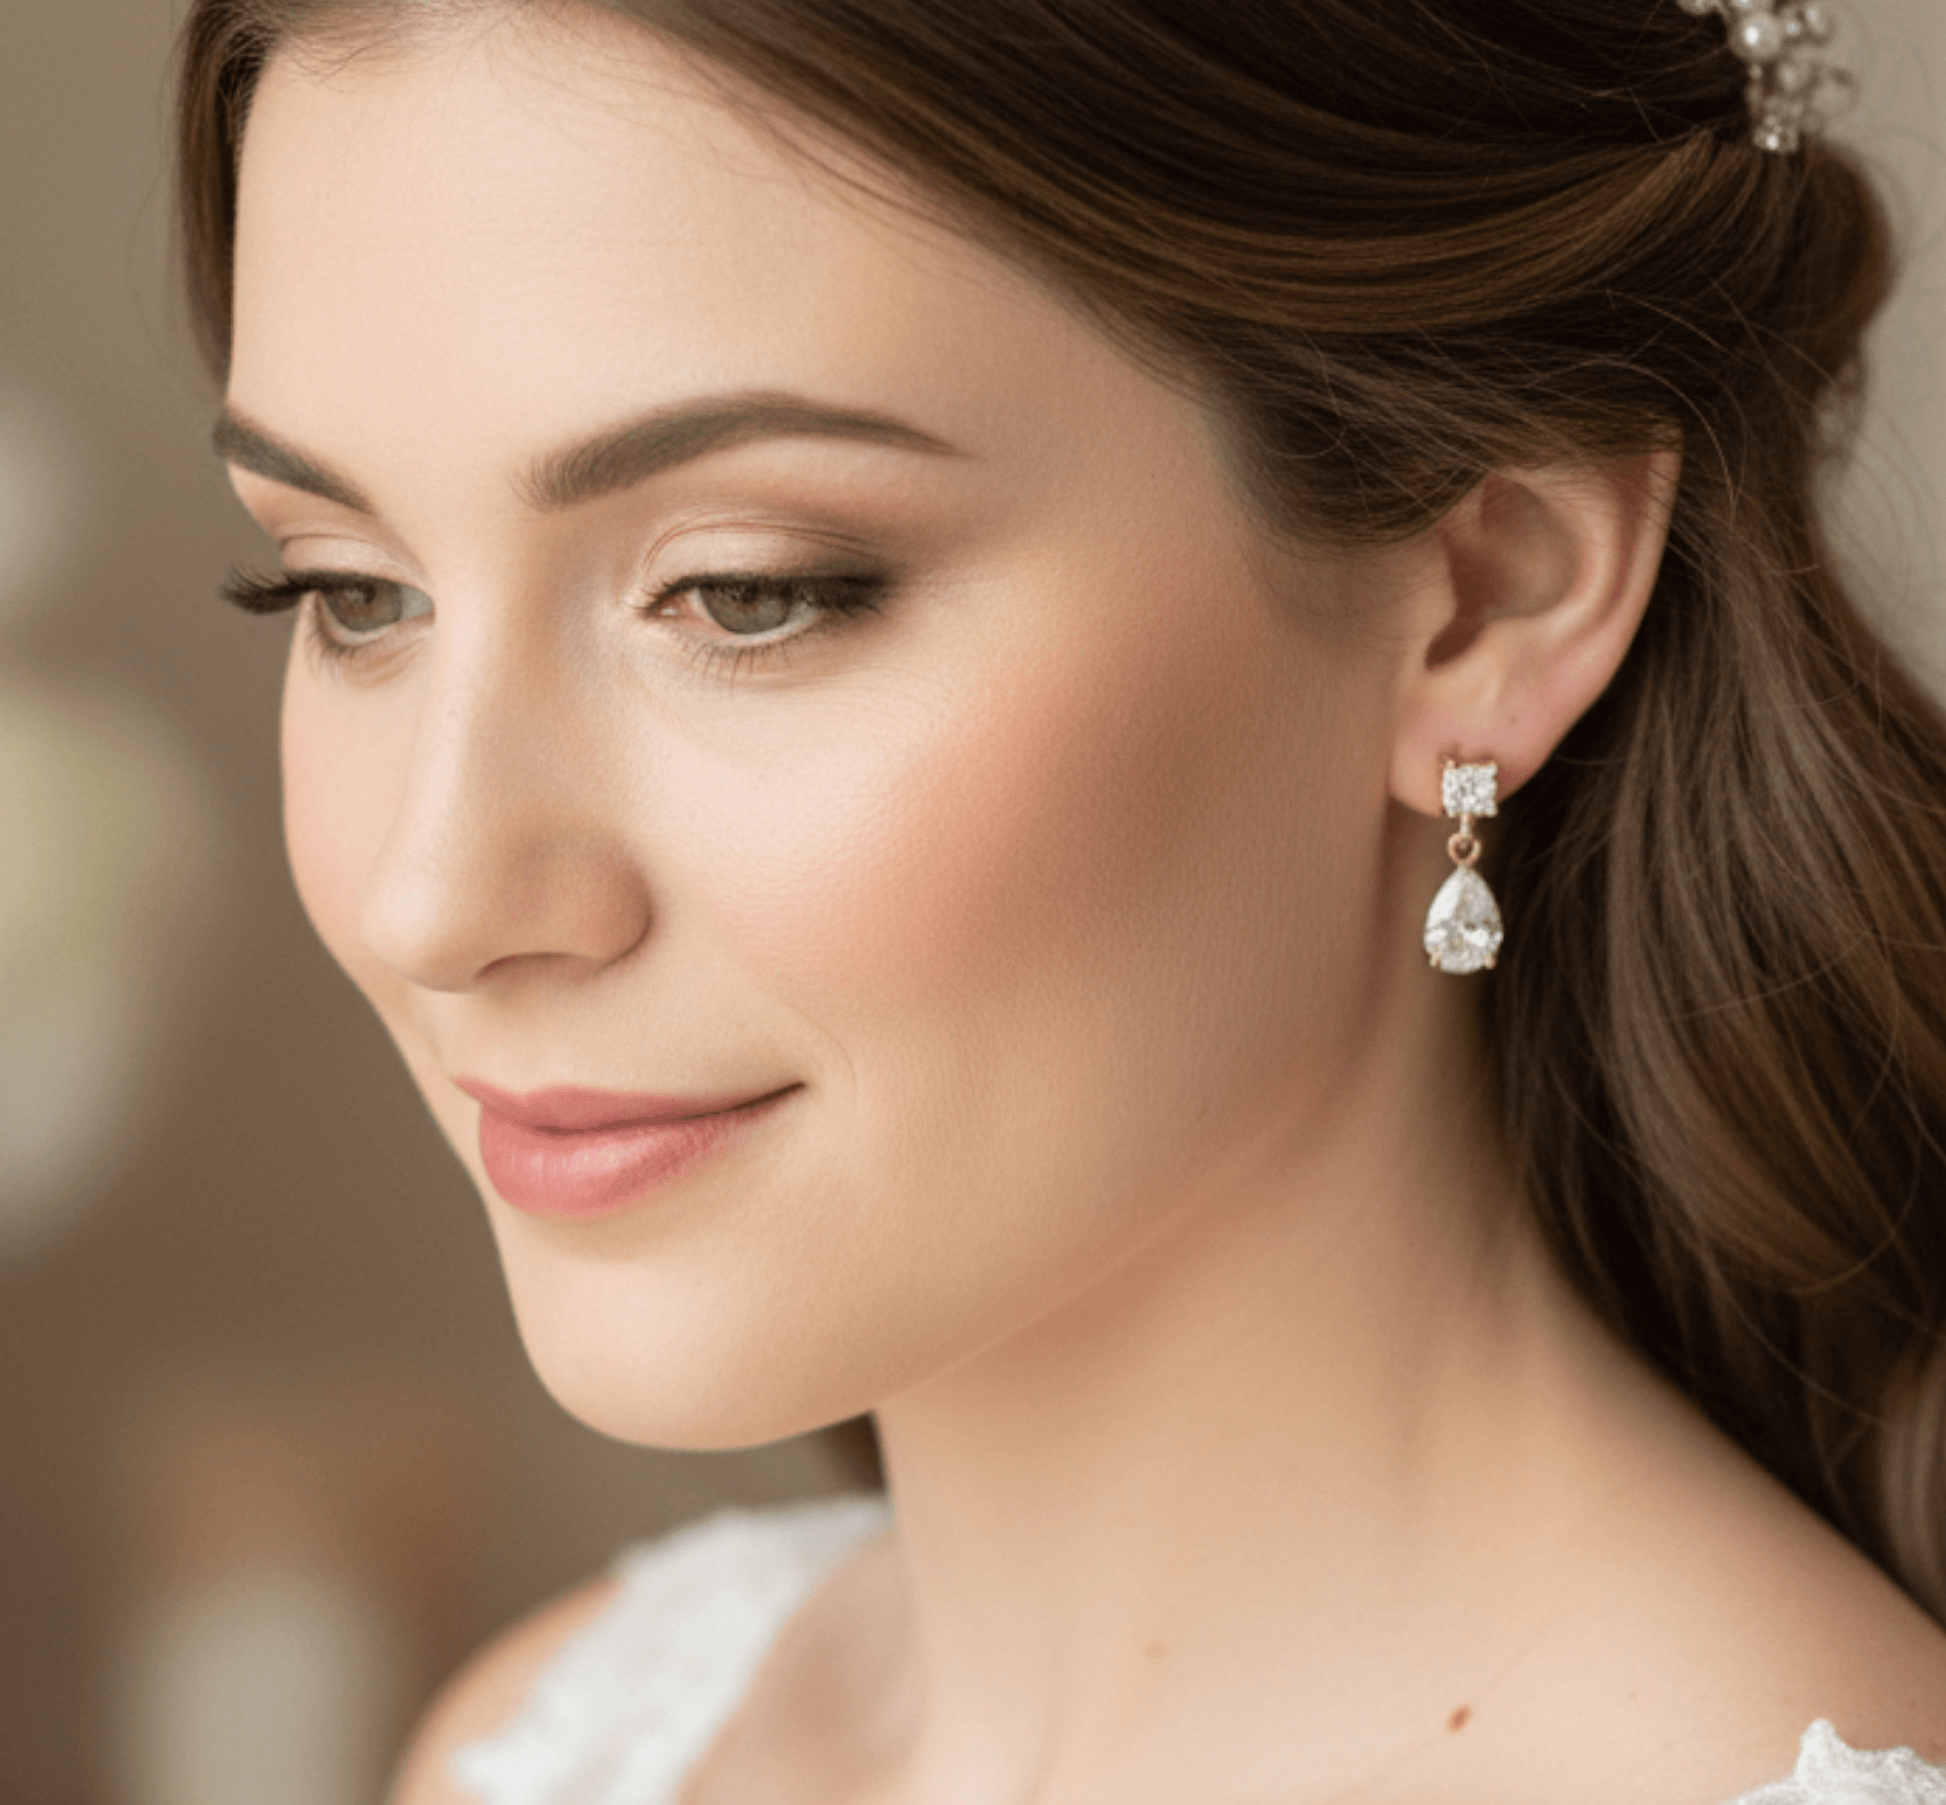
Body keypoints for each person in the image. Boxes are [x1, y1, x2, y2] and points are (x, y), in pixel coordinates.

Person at [172, 0, 1946, 1799]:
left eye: (752, 591)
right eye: (353, 594)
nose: (433, 897)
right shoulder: (556, 1744)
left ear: (1485, 600)